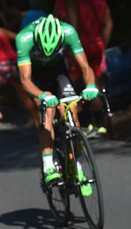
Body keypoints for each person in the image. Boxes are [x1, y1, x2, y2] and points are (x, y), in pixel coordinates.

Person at [16, 14, 99, 185]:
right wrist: (42, 96)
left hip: (57, 71)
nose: (46, 55)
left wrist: (90, 85)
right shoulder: (24, 38)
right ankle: (48, 166)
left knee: (71, 110)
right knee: (47, 109)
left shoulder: (69, 32)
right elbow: (25, 80)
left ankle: (77, 166)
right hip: (35, 76)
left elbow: (85, 67)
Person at [55, 0, 113, 138]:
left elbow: (71, 26)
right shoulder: (100, 2)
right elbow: (109, 23)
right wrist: (102, 45)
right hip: (96, 45)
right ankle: (100, 125)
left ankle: (85, 125)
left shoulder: (68, 2)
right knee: (93, 83)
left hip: (79, 45)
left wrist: (69, 48)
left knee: (70, 86)